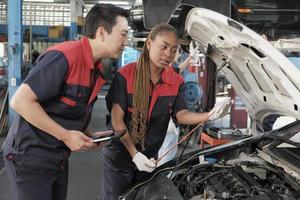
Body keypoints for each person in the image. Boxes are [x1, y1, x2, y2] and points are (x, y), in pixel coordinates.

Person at [1, 4, 129, 200]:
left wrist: (89, 133)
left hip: (57, 157)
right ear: (102, 32)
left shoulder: (94, 69)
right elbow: (20, 101)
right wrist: (65, 136)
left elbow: (64, 109)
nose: (126, 41)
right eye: (123, 34)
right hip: (31, 157)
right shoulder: (64, 57)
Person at [103, 23, 231, 200]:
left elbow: (182, 115)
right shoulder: (126, 75)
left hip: (149, 159)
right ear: (149, 43)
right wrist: (134, 155)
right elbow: (117, 120)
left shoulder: (175, 81)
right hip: (121, 157)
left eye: (173, 50)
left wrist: (210, 115)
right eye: (163, 47)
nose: (168, 54)